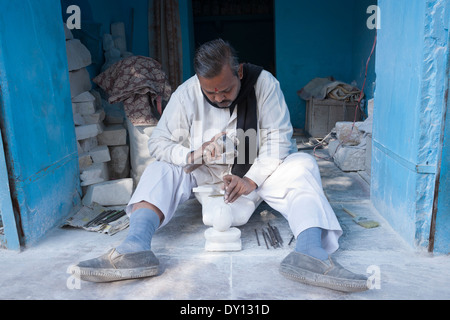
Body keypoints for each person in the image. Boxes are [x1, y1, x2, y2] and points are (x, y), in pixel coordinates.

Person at [72, 39, 368, 292]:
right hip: (208, 173)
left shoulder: (264, 85)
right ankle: (135, 248)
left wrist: (251, 179)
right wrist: (193, 154)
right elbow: (158, 143)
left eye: (225, 90)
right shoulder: (187, 93)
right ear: (199, 82)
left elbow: (278, 142)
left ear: (239, 72)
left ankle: (310, 252)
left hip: (259, 171)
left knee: (303, 163)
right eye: (210, 92)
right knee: (160, 169)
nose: (218, 98)